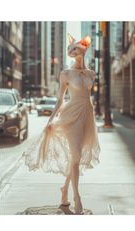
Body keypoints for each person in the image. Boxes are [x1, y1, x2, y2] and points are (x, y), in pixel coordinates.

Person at [22, 33, 101, 215]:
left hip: (87, 115)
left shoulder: (91, 73)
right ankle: (76, 197)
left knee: (77, 157)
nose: (71, 51)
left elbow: (89, 96)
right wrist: (50, 120)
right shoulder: (65, 73)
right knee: (76, 154)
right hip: (71, 115)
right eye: (70, 48)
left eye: (75, 48)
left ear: (84, 49)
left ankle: (64, 189)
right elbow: (60, 100)